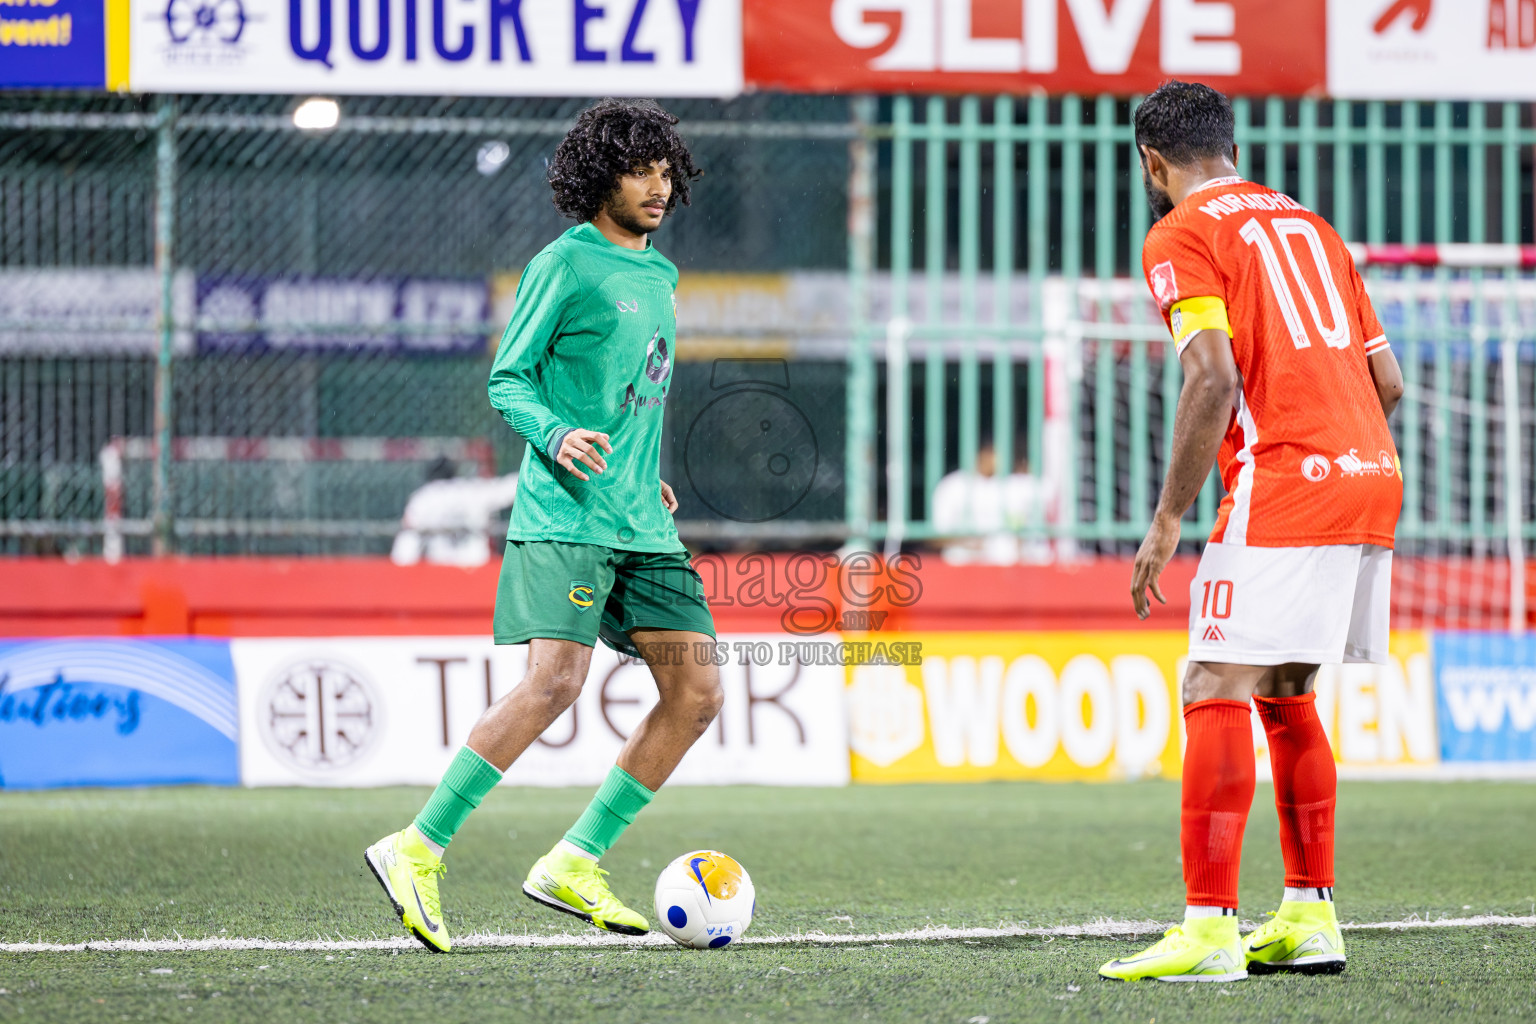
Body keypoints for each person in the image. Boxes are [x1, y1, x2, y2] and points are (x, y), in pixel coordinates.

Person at [365, 99, 719, 953]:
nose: (658, 187)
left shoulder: (660, 275)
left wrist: (645, 474)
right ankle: (416, 845)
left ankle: (575, 859)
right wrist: (559, 436)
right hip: (565, 513)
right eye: (641, 171)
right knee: (554, 684)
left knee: (699, 691)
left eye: (666, 170)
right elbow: (509, 380)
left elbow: (630, 400)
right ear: (601, 178)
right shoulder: (563, 266)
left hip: (639, 517)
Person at [1099, 81, 1404, 983]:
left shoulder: (1182, 233)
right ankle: (1311, 916)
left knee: (1210, 681)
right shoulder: (1315, 229)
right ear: (1230, 145)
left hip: (1288, 478)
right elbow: (1388, 387)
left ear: (1152, 162)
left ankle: (1208, 930)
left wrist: (1165, 523)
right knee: (1282, 689)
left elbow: (1212, 378)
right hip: (1368, 477)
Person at [930, 441, 1050, 565]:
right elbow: (935, 537)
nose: (996, 457)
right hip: (964, 567)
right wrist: (969, 543)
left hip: (1011, 568)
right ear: (979, 453)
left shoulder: (1014, 485)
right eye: (991, 451)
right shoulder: (952, 486)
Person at [390, 457, 519, 567]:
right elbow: (509, 487)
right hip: (475, 567)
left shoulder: (422, 498)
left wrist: (402, 565)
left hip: (439, 568)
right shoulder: (471, 490)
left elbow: (407, 541)